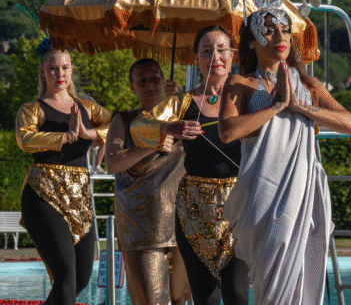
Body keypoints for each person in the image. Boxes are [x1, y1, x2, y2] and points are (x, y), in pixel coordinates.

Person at [218, 4, 351, 305]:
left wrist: (300, 106)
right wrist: (277, 106)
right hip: (263, 191)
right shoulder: (241, 83)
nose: (279, 35)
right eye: (268, 30)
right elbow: (228, 132)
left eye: (284, 29)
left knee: (306, 271)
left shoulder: (308, 85)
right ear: (252, 42)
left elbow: (350, 124)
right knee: (271, 276)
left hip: (303, 189)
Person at [127, 26, 249, 305]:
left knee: (238, 293)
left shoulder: (247, 96)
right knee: (205, 298)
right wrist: (169, 127)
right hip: (194, 210)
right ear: (197, 58)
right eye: (207, 50)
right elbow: (138, 127)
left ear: (232, 55)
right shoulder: (181, 102)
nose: (215, 56)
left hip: (239, 206)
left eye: (221, 49)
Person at [15, 39, 112, 305]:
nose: (60, 74)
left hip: (79, 195)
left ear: (71, 70)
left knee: (81, 277)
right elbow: (25, 139)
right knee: (66, 274)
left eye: (65, 67)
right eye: (53, 68)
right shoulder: (32, 109)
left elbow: (115, 124)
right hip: (43, 194)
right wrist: (66, 137)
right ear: (42, 72)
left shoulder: (86, 106)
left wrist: (89, 133)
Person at [104, 58, 191, 305]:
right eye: (141, 80)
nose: (149, 84)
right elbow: (113, 162)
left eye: (154, 77)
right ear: (132, 86)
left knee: (178, 298)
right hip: (140, 225)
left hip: (181, 221)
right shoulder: (124, 119)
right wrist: (151, 144)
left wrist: (182, 98)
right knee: (152, 301)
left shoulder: (180, 116)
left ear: (164, 81)